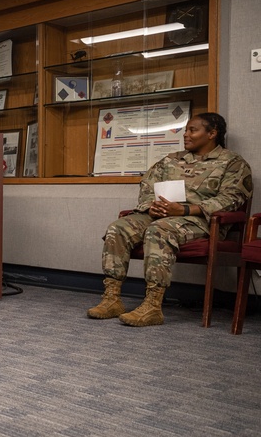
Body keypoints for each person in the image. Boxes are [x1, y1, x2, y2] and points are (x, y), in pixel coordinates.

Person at [87, 113, 253, 327]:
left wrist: (183, 210)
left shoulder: (233, 163)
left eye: (193, 130)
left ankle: (153, 306)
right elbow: (147, 185)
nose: (186, 134)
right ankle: (112, 299)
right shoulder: (171, 159)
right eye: (186, 129)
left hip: (200, 221)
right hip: (162, 214)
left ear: (212, 134)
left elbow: (231, 199)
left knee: (160, 230)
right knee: (118, 228)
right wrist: (151, 206)